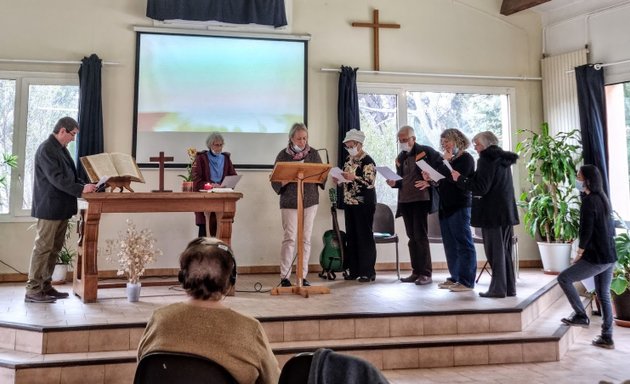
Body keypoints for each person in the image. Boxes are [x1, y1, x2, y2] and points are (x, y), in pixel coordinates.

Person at [137, 237, 280, 383]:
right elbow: (273, 380)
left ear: (183, 278)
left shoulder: (159, 319)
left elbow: (144, 369)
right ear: (230, 280)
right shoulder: (250, 329)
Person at [25, 116, 97, 303]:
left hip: (61, 208)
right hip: (49, 207)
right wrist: (81, 189)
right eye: (72, 134)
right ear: (62, 131)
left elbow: (69, 177)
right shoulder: (46, 149)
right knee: (43, 248)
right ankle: (33, 290)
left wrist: (86, 185)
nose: (73, 139)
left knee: (54, 249)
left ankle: (46, 286)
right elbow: (56, 178)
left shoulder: (61, 149)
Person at [452, 131, 519, 298]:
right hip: (505, 211)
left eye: (478, 144)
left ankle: (497, 289)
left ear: (488, 144)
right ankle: (509, 288)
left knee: (495, 253)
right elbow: (487, 181)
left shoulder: (486, 159)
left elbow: (482, 187)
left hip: (492, 212)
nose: (475, 147)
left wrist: (460, 179)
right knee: (504, 252)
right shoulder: (502, 158)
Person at [557, 165, 616, 349]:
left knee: (564, 278)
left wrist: (579, 253)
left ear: (587, 180)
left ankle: (581, 315)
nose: (577, 179)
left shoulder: (590, 201)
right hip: (609, 256)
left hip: (597, 257)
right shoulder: (602, 198)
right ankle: (607, 337)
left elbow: (586, 231)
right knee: (603, 294)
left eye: (579, 176)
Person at [386, 126, 444, 285]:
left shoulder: (426, 152)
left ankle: (426, 273)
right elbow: (401, 180)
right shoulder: (400, 157)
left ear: (414, 138)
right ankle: (416, 271)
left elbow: (442, 170)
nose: (403, 143)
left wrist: (430, 182)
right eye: (400, 140)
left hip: (421, 200)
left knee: (421, 237)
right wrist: (393, 183)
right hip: (405, 201)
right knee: (412, 237)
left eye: (405, 140)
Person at [423, 129, 477, 292]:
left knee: (463, 243)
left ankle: (466, 281)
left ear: (457, 141)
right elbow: (442, 181)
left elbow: (456, 180)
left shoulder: (466, 158)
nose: (444, 144)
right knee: (450, 244)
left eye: (447, 141)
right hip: (445, 205)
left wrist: (444, 163)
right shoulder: (449, 160)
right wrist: (431, 179)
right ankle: (455, 277)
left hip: (460, 205)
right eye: (443, 142)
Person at [271, 123, 323, 287]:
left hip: (309, 201)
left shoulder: (314, 154)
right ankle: (285, 276)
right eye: (299, 138)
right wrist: (283, 181)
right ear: (291, 138)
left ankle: (302, 275)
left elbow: (322, 176)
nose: (302, 141)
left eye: (305, 138)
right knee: (290, 238)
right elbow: (274, 180)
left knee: (306, 239)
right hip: (289, 202)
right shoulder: (283, 155)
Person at [333, 129, 377, 282]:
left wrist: (354, 177)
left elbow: (369, 182)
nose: (349, 148)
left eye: (351, 145)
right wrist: (339, 180)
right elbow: (346, 178)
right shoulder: (348, 160)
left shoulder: (368, 161)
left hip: (364, 203)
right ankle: (354, 270)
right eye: (347, 146)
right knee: (351, 236)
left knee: (364, 236)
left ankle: (368, 271)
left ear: (359, 144)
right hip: (349, 202)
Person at [191, 132, 237, 237]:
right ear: (210, 145)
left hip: (222, 198)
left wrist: (225, 185)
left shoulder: (225, 158)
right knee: (204, 234)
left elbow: (233, 176)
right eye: (216, 145)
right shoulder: (201, 158)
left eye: (221, 145)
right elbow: (196, 179)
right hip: (206, 198)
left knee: (221, 232)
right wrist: (210, 185)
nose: (219, 148)